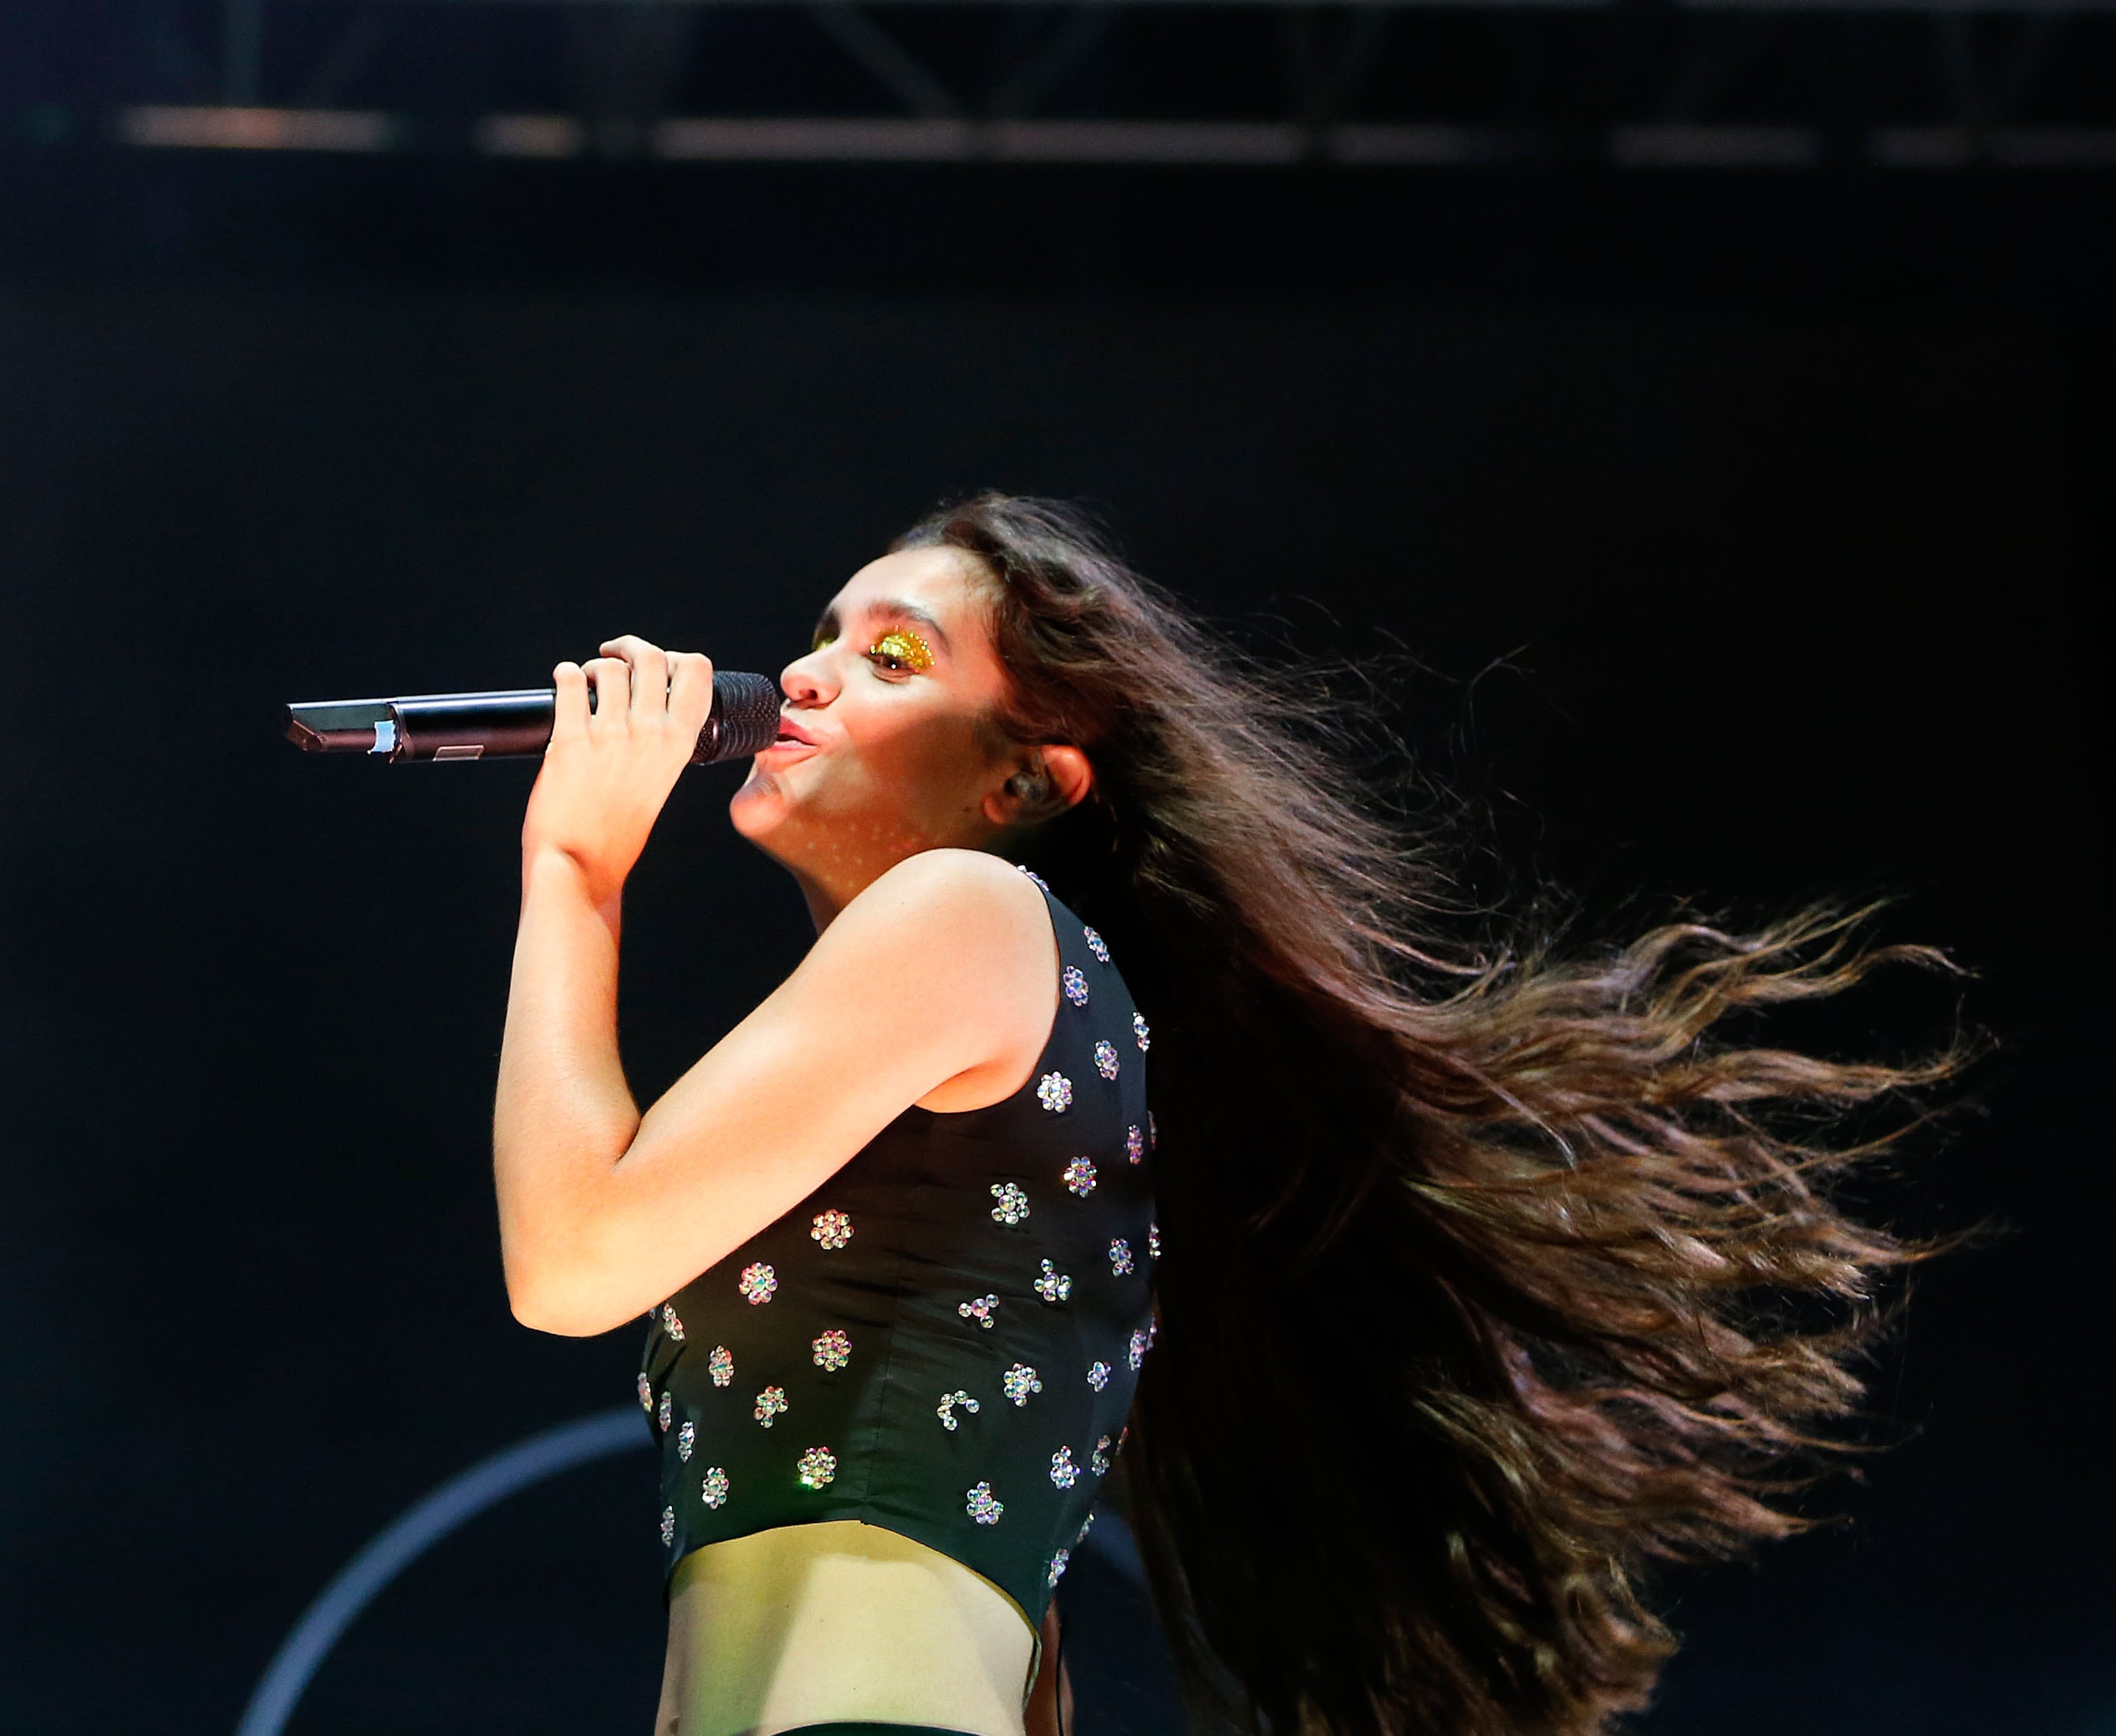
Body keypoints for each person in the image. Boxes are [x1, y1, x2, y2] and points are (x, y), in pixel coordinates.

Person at [491, 494, 1960, 1736]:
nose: (804, 678)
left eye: (887, 656)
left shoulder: (971, 912)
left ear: (1026, 776)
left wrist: (572, 863)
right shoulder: (983, 1066)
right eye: (819, 638)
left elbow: (570, 1259)